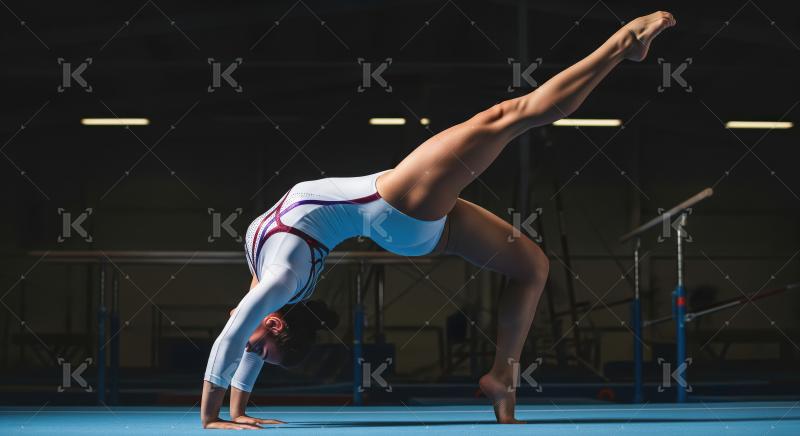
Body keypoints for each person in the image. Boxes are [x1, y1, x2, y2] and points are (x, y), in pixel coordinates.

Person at [201, 11, 676, 429]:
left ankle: (502, 379)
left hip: (400, 218)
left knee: (532, 266)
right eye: (261, 350)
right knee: (509, 116)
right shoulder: (284, 279)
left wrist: (236, 409)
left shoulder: (266, 274)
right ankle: (621, 46)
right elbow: (237, 334)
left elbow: (244, 336)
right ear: (279, 324)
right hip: (398, 205)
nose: (251, 349)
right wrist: (211, 417)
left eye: (261, 351)